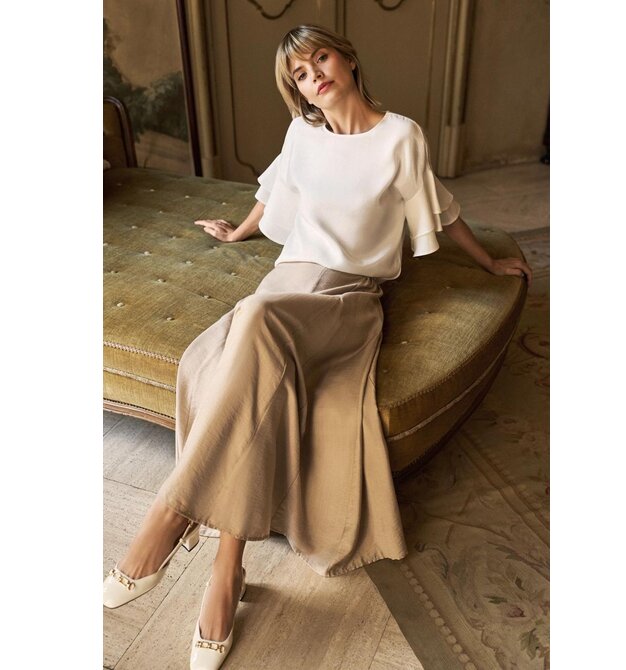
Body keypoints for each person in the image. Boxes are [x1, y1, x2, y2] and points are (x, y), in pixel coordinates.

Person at [103, 23, 533, 669]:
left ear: (348, 59)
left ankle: (171, 514)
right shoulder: (301, 135)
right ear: (297, 91)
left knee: (250, 326)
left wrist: (489, 262)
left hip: (348, 300)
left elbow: (441, 209)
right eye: (300, 75)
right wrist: (237, 233)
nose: (315, 77)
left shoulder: (400, 136)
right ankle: (226, 569)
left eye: (320, 59)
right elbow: (272, 194)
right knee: (233, 352)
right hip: (286, 284)